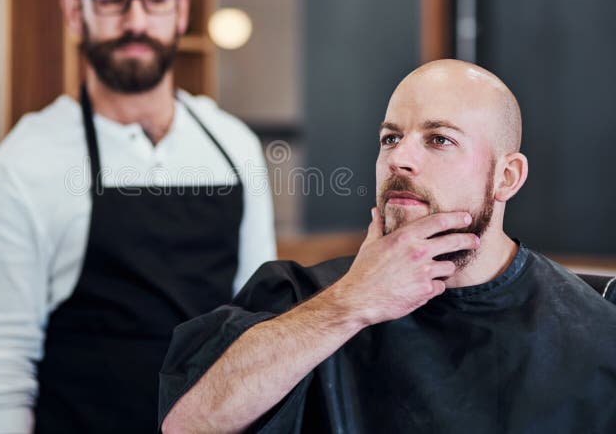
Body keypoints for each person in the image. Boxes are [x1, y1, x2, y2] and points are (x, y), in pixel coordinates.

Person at [159, 59, 616, 434]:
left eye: (439, 139)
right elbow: (188, 424)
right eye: (391, 138)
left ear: (506, 177)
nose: (399, 157)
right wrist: (350, 303)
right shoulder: (300, 297)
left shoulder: (594, 331)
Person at [0, 0, 276, 433]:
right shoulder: (23, 163)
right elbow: (2, 363)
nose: (136, 20)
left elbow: (261, 321)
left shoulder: (233, 143)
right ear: (74, 10)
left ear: (180, 9)